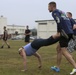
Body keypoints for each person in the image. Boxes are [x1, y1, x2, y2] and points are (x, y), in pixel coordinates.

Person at [48, 2, 76, 75]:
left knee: (64, 50)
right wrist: (70, 31)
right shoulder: (62, 12)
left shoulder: (54, 12)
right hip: (69, 32)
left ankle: (75, 67)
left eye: (48, 7)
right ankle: (57, 67)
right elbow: (69, 21)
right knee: (58, 49)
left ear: (52, 6)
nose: (48, 8)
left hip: (64, 33)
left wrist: (59, 32)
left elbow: (58, 20)